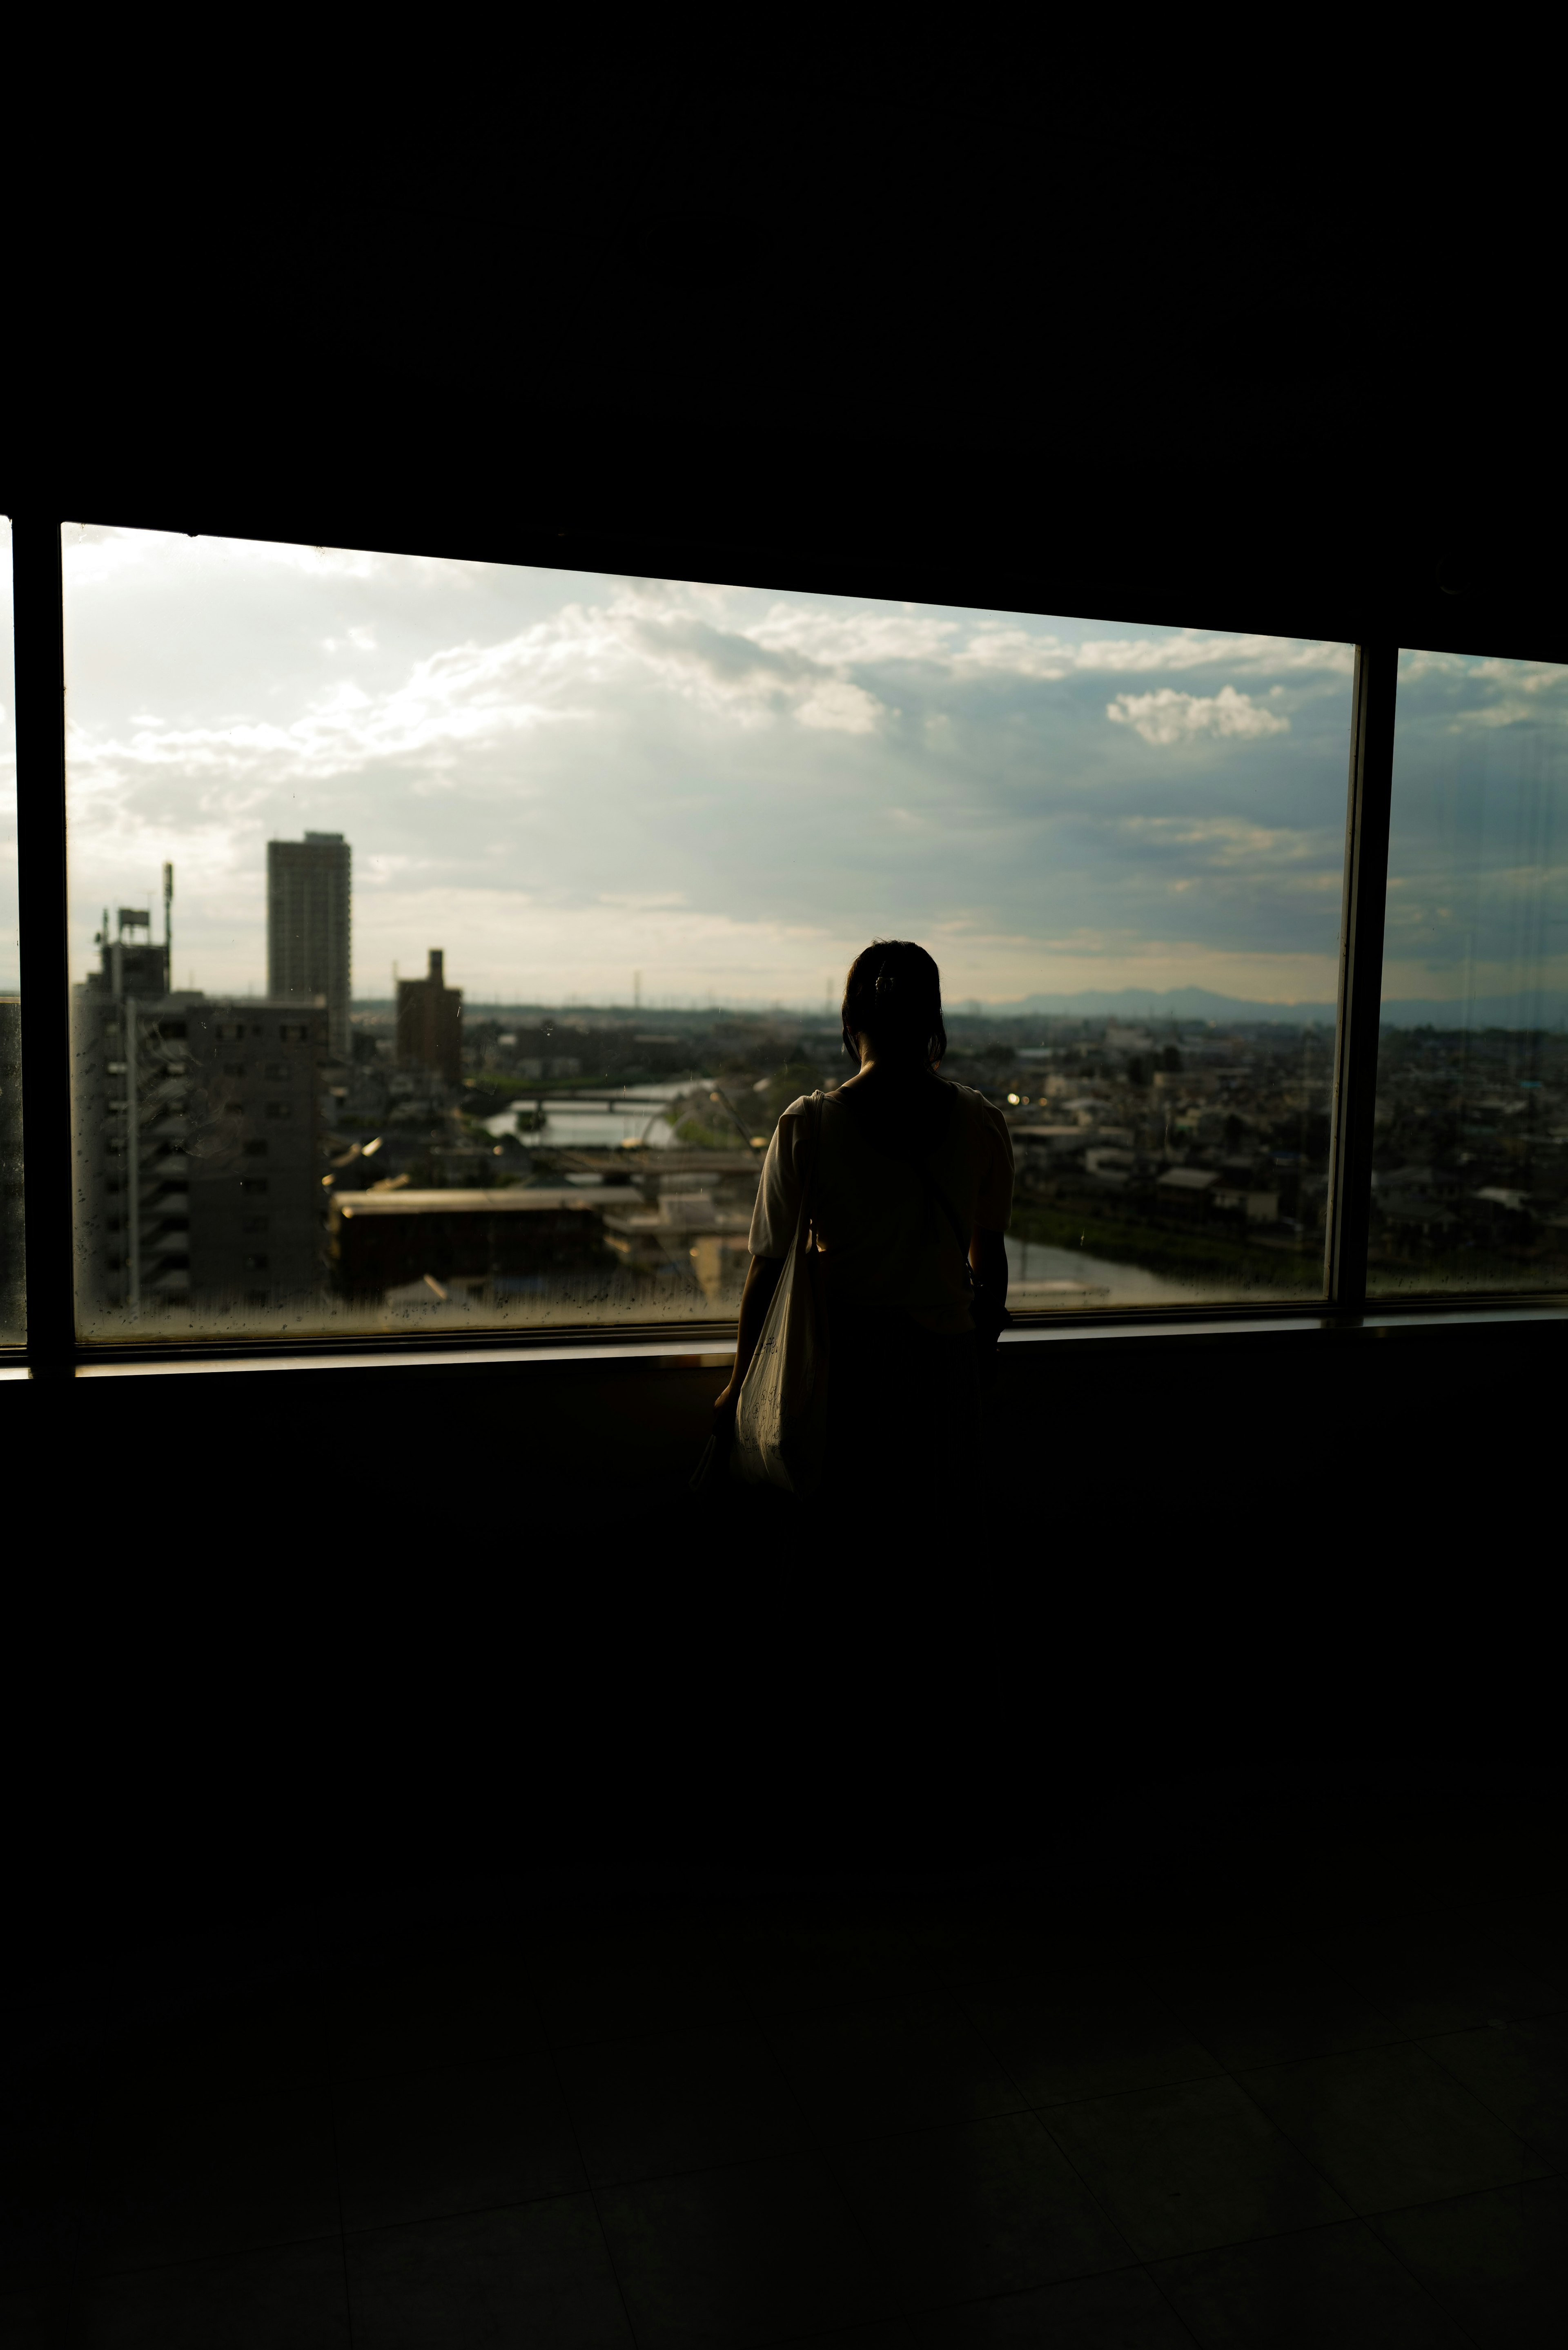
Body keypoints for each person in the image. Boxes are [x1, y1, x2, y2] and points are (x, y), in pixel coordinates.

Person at [712, 939, 1013, 1497]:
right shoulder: (983, 1122)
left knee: (849, 1546)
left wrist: (738, 1386)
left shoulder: (807, 1126)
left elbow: (766, 1274)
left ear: (851, 1021)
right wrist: (982, 1353)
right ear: (932, 1022)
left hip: (845, 1369)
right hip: (947, 1367)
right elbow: (989, 1264)